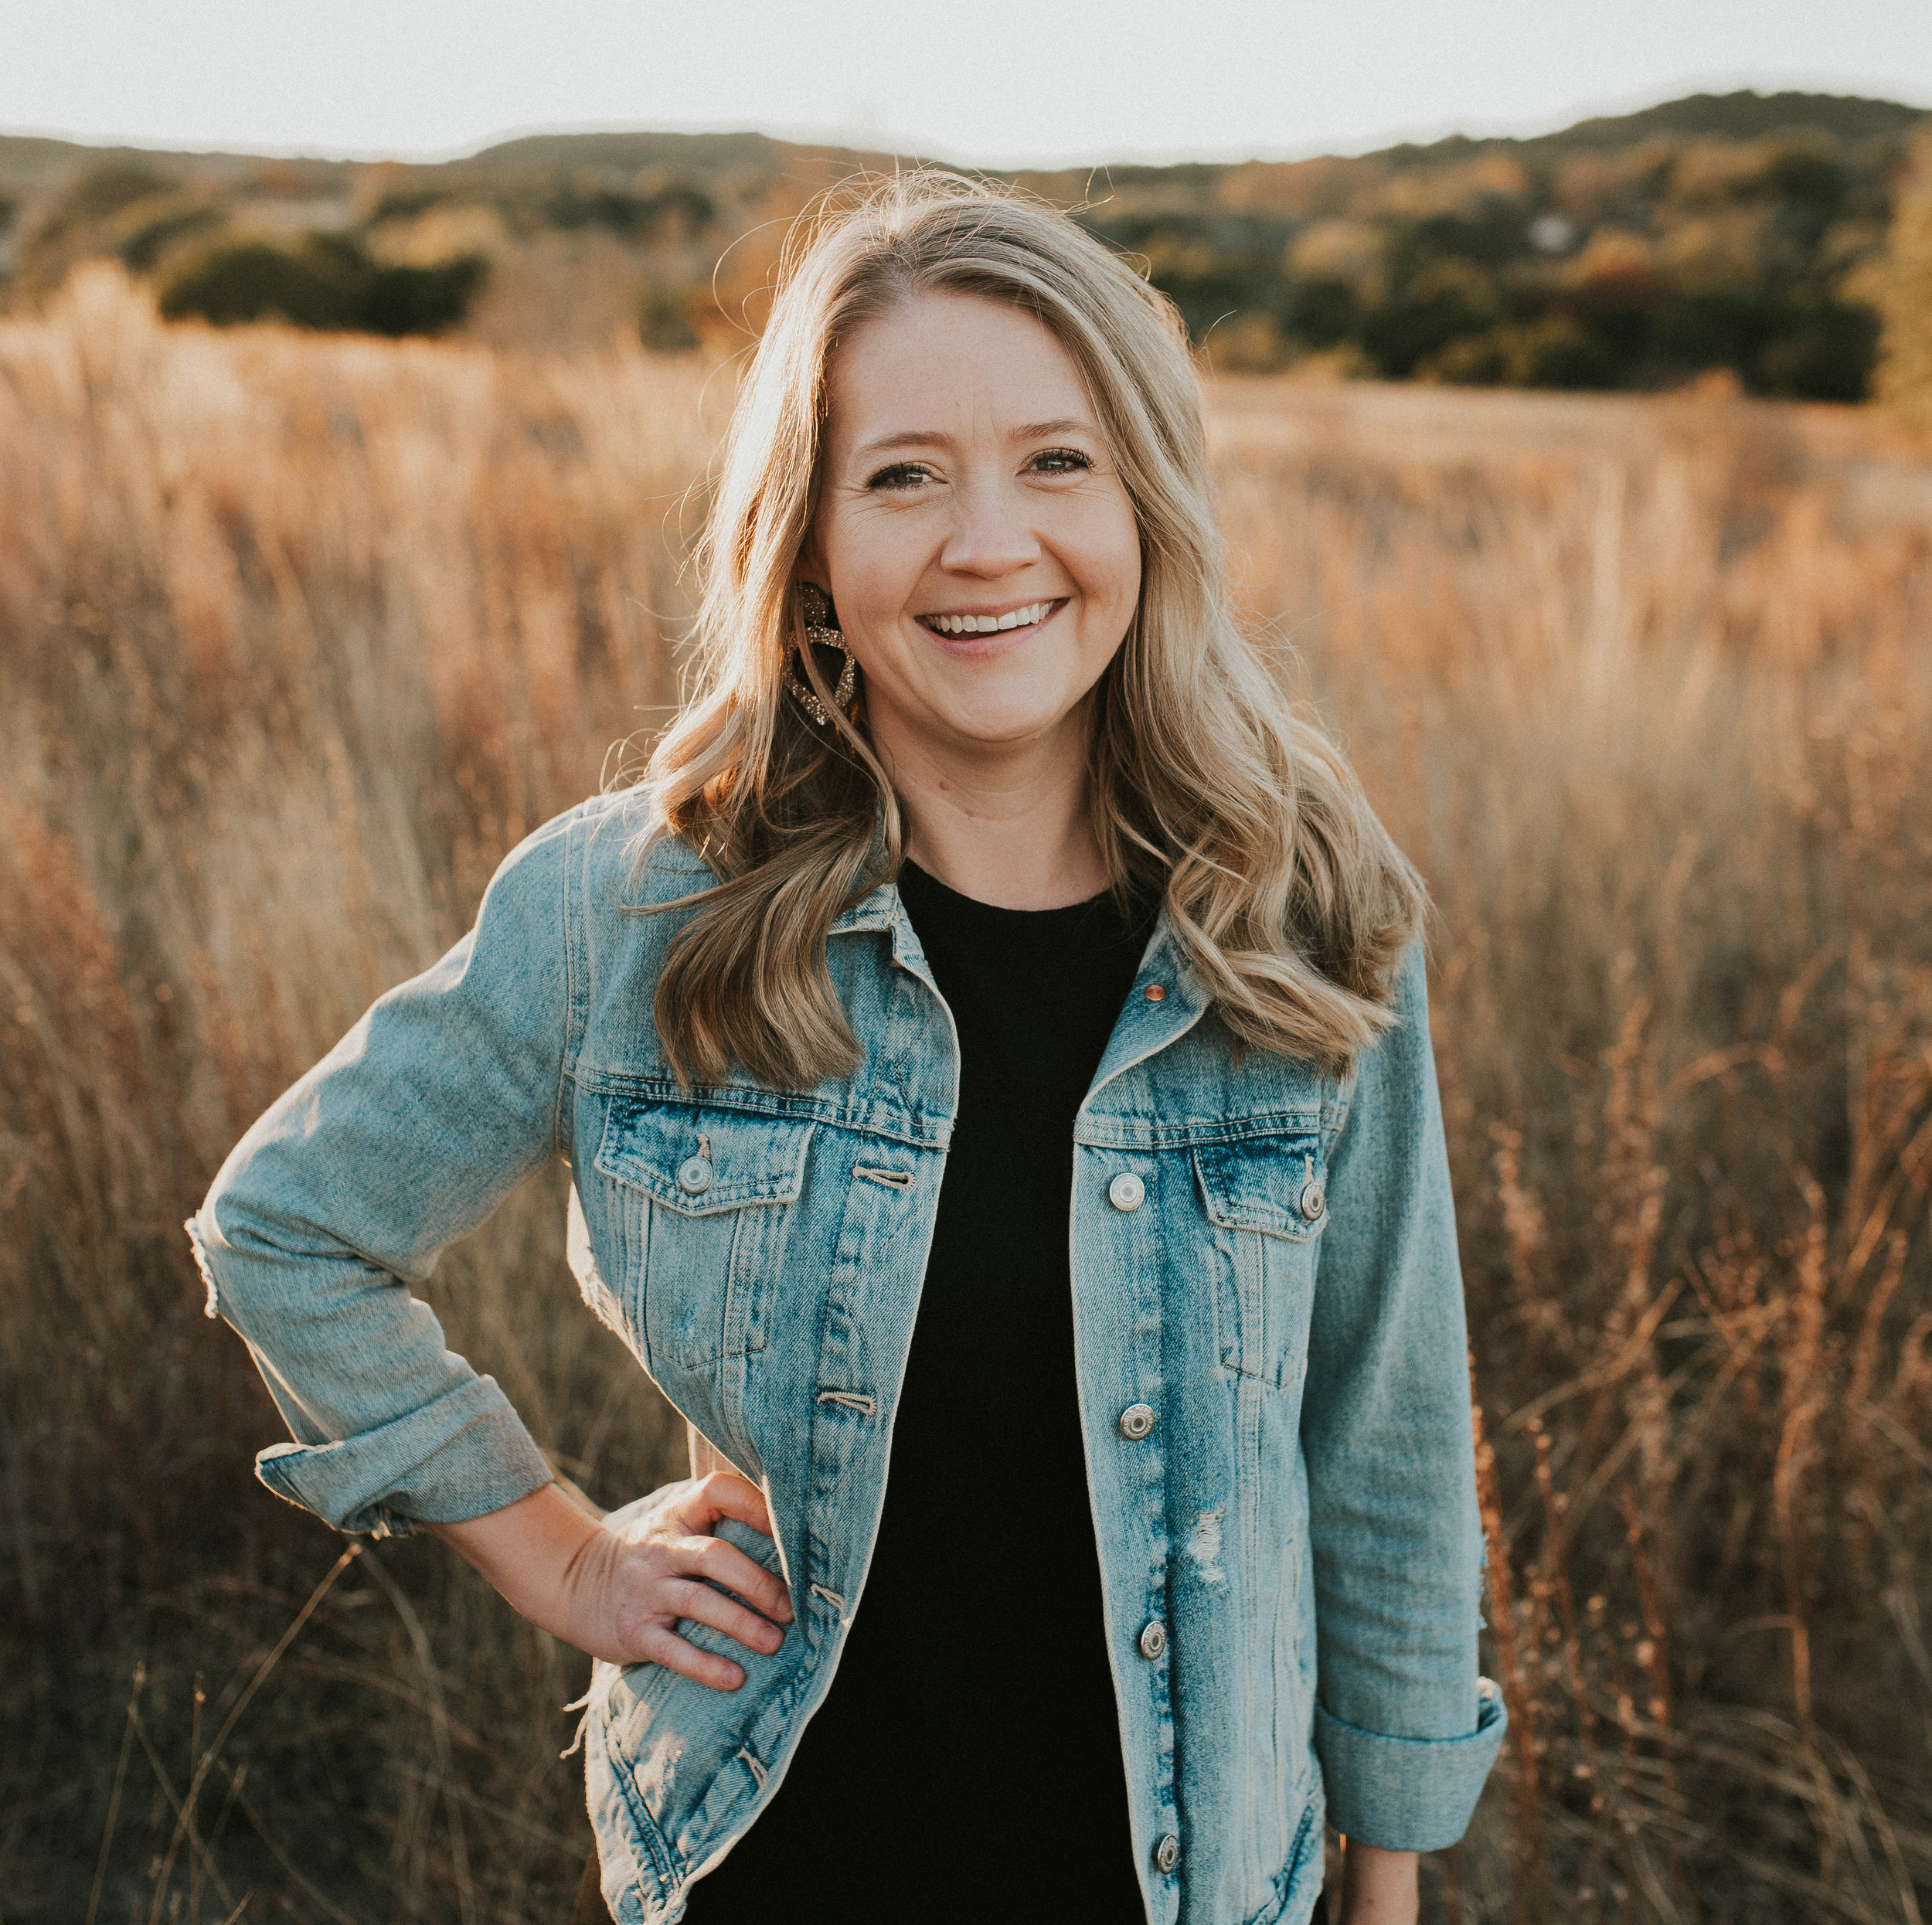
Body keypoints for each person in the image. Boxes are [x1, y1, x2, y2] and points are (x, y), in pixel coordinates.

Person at [188, 172, 1504, 1925]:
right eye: (902, 476)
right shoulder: (635, 909)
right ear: (805, 541)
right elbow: (287, 1228)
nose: (987, 542)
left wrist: (1388, 1871)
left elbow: (1386, 1429)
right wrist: (563, 1556)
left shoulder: (1302, 916)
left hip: (1194, 1885)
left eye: (1058, 460)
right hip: (772, 1867)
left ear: (1147, 508)